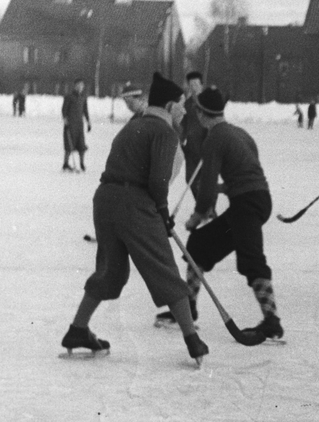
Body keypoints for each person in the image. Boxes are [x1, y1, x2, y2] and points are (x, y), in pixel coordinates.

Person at [61, 72, 208, 366]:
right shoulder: (165, 132)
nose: (183, 108)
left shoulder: (134, 125)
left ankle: (77, 329)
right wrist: (163, 212)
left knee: (111, 272)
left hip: (105, 200)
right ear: (168, 105)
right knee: (164, 268)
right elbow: (157, 181)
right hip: (135, 204)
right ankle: (193, 340)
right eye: (180, 104)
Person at [156, 87, 283, 343]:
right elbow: (247, 170)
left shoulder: (214, 138)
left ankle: (272, 322)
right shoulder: (240, 133)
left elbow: (207, 189)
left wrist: (197, 215)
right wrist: (228, 188)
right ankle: (188, 307)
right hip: (254, 201)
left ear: (202, 114)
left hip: (247, 205)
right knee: (200, 246)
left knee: (251, 258)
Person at [180, 71, 206, 187]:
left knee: (206, 180)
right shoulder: (187, 104)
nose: (193, 87)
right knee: (190, 179)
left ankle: (208, 205)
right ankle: (201, 203)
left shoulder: (207, 102)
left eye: (196, 84)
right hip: (191, 148)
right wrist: (181, 140)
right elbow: (183, 125)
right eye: (191, 84)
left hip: (205, 146)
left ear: (201, 85)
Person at [61, 78, 91, 172]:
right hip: (71, 124)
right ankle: (65, 164)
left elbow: (85, 110)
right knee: (69, 145)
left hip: (79, 125)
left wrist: (88, 121)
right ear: (75, 86)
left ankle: (82, 163)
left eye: (81, 85)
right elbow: (64, 110)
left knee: (81, 145)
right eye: (78, 85)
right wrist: (65, 120)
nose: (80, 87)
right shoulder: (69, 96)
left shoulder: (83, 97)